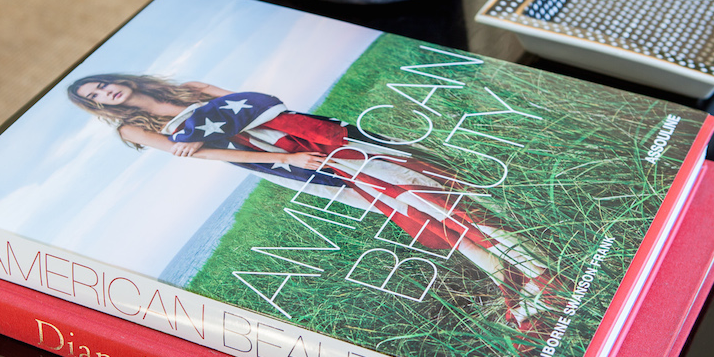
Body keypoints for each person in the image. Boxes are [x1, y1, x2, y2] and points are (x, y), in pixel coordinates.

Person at [67, 73, 560, 330]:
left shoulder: (190, 88)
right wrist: (288, 163)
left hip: (310, 134)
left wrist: (303, 139)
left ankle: (519, 261)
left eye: (103, 83)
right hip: (277, 159)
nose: (107, 92)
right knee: (397, 203)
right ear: (100, 106)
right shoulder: (135, 129)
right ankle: (511, 268)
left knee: (414, 184)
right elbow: (202, 155)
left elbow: (262, 103)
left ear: (119, 78)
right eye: (98, 95)